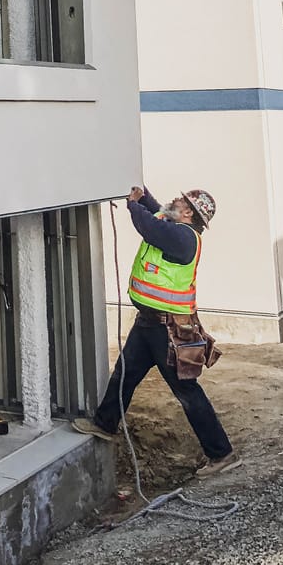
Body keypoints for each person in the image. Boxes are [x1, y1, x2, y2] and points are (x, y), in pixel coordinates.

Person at [72, 186, 241, 478]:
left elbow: (149, 225)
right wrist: (144, 196)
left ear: (188, 211)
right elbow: (158, 213)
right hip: (150, 323)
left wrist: (133, 204)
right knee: (125, 372)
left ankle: (221, 453)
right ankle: (105, 424)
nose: (174, 201)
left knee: (187, 391)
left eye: (181, 200)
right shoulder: (174, 226)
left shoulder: (183, 238)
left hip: (168, 329)